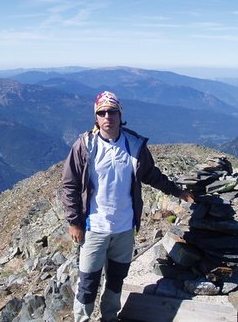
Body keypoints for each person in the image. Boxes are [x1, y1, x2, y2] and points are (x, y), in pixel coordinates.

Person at [61, 91, 194, 322]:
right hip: (94, 227)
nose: (107, 117)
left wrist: (177, 191)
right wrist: (74, 222)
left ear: (120, 114)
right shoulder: (85, 146)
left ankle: (109, 318)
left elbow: (151, 175)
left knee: (116, 278)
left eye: (112, 111)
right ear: (96, 117)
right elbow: (70, 184)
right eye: (101, 113)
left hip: (124, 227)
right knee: (88, 282)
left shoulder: (134, 144)